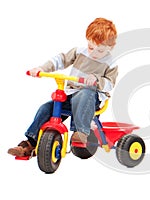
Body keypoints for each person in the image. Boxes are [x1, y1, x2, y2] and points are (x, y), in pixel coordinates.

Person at [8, 17, 118, 157]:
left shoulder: (111, 63)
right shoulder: (79, 52)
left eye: (100, 51)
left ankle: (81, 132)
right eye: (91, 47)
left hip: (90, 99)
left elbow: (110, 83)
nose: (94, 53)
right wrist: (42, 68)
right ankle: (29, 144)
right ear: (87, 40)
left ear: (110, 47)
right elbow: (61, 60)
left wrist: (97, 80)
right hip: (70, 94)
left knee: (85, 92)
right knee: (46, 108)